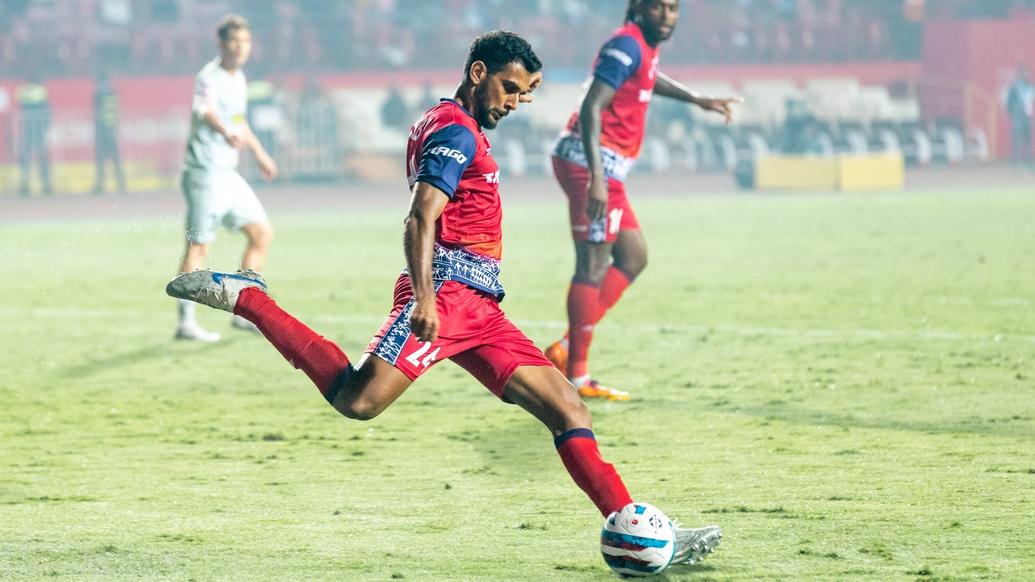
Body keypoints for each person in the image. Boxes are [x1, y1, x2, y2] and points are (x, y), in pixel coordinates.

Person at [166, 30, 721, 568]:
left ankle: (640, 527)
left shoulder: (453, 122)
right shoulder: (455, 132)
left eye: (524, 93)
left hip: (481, 309)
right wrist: (426, 299)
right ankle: (249, 299)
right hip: (448, 296)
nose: (515, 102)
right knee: (357, 401)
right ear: (477, 73)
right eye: (509, 87)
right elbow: (420, 216)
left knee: (568, 408)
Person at [545, 0, 740, 400]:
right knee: (593, 264)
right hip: (592, 165)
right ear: (639, 9)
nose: (667, 16)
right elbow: (591, 107)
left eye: (674, 8)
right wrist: (597, 178)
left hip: (606, 168)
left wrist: (697, 99)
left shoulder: (643, 47)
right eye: (659, 8)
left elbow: (648, 78)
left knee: (633, 257)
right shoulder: (626, 45)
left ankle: (566, 348)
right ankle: (576, 375)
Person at [174, 14, 278, 342]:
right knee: (198, 245)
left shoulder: (239, 78)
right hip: (204, 173)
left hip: (228, 174)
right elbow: (204, 111)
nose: (241, 48)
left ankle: (244, 311)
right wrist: (224, 131)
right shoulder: (210, 76)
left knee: (261, 233)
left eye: (245, 42)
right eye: (234, 41)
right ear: (221, 44)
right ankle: (186, 322)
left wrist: (259, 154)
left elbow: (239, 120)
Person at [15, 76, 52, 197]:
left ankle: (25, 184)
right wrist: (47, 126)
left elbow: (21, 106)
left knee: (25, 157)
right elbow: (47, 110)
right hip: (38, 130)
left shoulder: (22, 91)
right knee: (43, 157)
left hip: (26, 130)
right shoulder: (41, 91)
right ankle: (46, 184)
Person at [93, 72, 126, 195]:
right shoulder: (113, 92)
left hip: (102, 129)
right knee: (115, 158)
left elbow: (96, 111)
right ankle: (121, 182)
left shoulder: (98, 93)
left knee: (101, 158)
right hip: (111, 128)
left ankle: (100, 184)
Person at [1003, 65, 1034, 170]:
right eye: (1023, 73)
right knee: (1016, 138)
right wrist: (1012, 112)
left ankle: (1028, 160)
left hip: (1028, 116)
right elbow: (1009, 102)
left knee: (1028, 139)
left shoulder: (1030, 87)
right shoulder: (1014, 88)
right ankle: (1016, 161)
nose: (1025, 75)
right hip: (1018, 116)